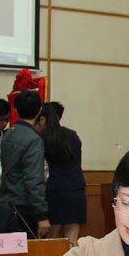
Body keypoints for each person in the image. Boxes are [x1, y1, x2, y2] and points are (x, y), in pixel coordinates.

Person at [0, 90, 49, 238]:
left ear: (16, 109)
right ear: (39, 111)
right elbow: (33, 179)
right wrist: (42, 215)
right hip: (24, 205)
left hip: (6, 201)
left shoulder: (8, 133)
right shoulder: (33, 139)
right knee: (26, 248)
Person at [39, 102, 86, 247]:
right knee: (72, 240)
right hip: (76, 189)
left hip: (55, 190)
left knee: (52, 241)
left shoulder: (43, 138)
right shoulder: (72, 135)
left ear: (42, 119)